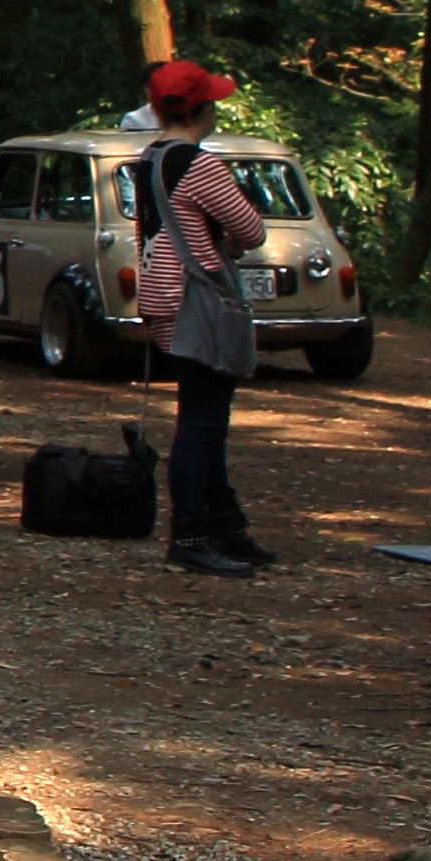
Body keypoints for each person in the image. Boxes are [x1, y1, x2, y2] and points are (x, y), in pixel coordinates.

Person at [143, 58, 274, 575]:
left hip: (163, 300)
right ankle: (193, 534)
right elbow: (251, 230)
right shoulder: (199, 165)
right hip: (197, 302)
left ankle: (223, 524)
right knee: (202, 424)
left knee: (204, 420)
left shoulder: (150, 158)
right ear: (201, 107)